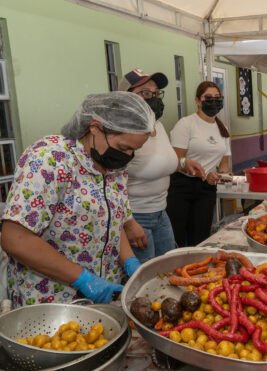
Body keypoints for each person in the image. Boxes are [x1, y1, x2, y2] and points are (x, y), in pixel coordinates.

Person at [0, 92, 155, 306]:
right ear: (95, 127)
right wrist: (83, 279)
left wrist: (129, 261)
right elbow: (15, 239)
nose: (127, 156)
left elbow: (110, 221)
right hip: (52, 301)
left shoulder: (114, 168)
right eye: (123, 148)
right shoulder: (50, 160)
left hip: (103, 296)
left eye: (134, 150)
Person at [119, 69, 205, 263]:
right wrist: (128, 223)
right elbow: (111, 183)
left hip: (160, 211)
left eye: (156, 93)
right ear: (126, 98)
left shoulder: (157, 125)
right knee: (146, 279)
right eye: (146, 93)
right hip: (137, 216)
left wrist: (183, 163)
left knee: (168, 269)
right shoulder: (122, 133)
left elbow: (162, 161)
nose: (154, 98)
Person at [167, 81, 232, 247]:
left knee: (201, 238)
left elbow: (224, 164)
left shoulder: (222, 128)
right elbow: (176, 161)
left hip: (207, 189)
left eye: (217, 98)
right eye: (208, 98)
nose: (214, 102)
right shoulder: (186, 124)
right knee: (178, 238)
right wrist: (202, 174)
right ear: (197, 101)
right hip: (181, 188)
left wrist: (221, 176)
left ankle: (196, 271)